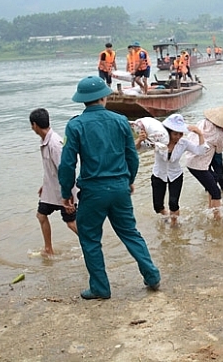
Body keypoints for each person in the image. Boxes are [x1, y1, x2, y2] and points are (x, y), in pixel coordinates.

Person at [58, 76, 161, 300]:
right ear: (104, 97)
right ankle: (152, 275)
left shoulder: (75, 125)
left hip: (93, 192)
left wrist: (66, 193)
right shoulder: (121, 121)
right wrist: (129, 180)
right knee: (130, 232)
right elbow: (131, 156)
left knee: (90, 238)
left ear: (83, 101)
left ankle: (100, 288)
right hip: (119, 188)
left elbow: (67, 163)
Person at [135, 114, 207, 226]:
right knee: (157, 207)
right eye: (175, 134)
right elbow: (136, 149)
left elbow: (200, 151)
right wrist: (140, 139)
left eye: (180, 134)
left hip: (176, 175)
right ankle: (166, 214)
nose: (178, 137)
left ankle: (174, 225)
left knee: (173, 203)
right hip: (158, 174)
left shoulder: (184, 143)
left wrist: (200, 134)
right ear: (168, 132)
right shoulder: (157, 141)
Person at [29, 108, 78, 257]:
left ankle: (91, 244)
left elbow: (65, 169)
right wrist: (45, 185)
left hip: (64, 192)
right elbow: (53, 169)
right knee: (41, 216)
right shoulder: (45, 141)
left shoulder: (55, 144)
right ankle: (48, 249)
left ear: (35, 125)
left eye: (31, 125)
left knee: (71, 223)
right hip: (52, 191)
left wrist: (68, 196)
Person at [183, 107, 223, 220]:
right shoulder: (218, 135)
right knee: (216, 192)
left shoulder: (202, 123)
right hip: (200, 166)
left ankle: (210, 208)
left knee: (213, 178)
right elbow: (218, 150)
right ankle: (217, 218)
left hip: (190, 159)